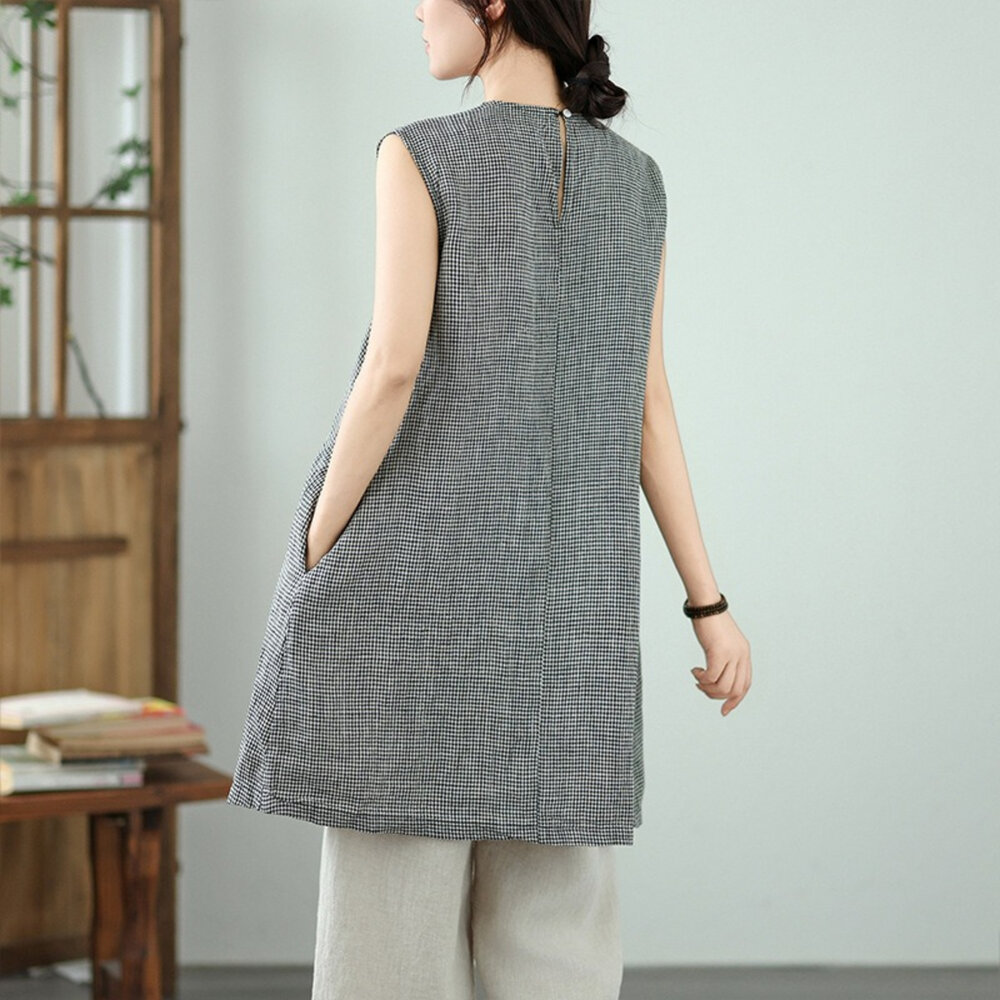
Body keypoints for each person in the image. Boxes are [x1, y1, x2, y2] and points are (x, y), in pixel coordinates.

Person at [228, 1, 753, 997]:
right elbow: (648, 406)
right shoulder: (639, 183)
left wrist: (312, 547)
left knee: (387, 944)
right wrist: (708, 604)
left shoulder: (419, 155)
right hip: (572, 626)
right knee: (559, 950)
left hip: (419, 600)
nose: (416, 12)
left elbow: (391, 370)